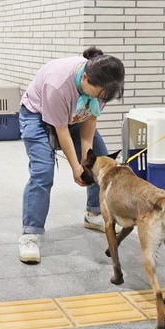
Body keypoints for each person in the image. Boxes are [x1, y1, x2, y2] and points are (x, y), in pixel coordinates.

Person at [17, 47, 125, 264]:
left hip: (75, 117)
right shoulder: (57, 84)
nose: (102, 97)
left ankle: (93, 213)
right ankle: (31, 234)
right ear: (85, 78)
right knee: (42, 172)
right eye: (98, 94)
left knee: (102, 163)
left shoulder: (103, 86)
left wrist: (88, 161)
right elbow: (61, 129)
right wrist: (76, 167)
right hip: (37, 116)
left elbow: (89, 120)